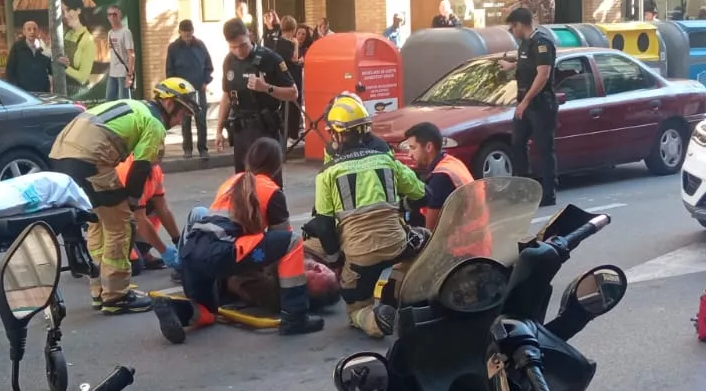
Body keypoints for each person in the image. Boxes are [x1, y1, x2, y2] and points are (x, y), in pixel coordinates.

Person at [48, 77, 199, 313]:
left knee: (98, 222)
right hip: (90, 159)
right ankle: (117, 296)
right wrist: (130, 202)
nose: (180, 122)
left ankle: (99, 291)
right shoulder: (154, 123)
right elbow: (140, 168)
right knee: (121, 224)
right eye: (183, 114)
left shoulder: (137, 107)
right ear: (170, 103)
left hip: (61, 155)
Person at [154, 137, 325, 342]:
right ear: (277, 165)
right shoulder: (271, 191)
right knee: (292, 242)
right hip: (222, 251)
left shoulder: (231, 182)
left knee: (207, 313)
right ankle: (295, 316)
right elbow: (280, 243)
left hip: (193, 250)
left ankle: (174, 310)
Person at [303, 93, 428, 338]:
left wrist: (337, 261)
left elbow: (325, 224)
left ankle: (374, 321)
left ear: (336, 133)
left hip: (360, 258)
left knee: (356, 308)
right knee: (426, 240)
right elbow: (423, 194)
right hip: (398, 245)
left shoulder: (327, 173)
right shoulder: (386, 159)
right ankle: (401, 291)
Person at [215, 17, 296, 182]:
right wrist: (218, 129)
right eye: (233, 47)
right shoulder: (229, 61)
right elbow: (226, 96)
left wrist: (266, 88)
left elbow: (293, 93)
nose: (239, 51)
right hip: (241, 131)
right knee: (243, 182)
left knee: (268, 182)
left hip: (266, 129)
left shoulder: (271, 58)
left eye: (243, 45)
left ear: (249, 36)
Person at [508, 7, 558, 206]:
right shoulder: (525, 44)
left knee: (545, 148)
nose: (512, 32)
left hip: (540, 104)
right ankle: (525, 189)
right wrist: (510, 66)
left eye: (512, 28)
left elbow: (543, 74)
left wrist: (525, 101)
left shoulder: (542, 43)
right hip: (525, 103)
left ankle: (548, 193)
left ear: (520, 25)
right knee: (517, 143)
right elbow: (526, 65)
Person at [401, 122, 475, 230]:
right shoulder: (451, 162)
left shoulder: (440, 178)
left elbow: (430, 232)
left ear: (429, 147)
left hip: (461, 243)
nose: (409, 154)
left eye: (413, 148)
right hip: (477, 237)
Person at [166, 19, 214, 158]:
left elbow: (208, 66)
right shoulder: (173, 48)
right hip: (182, 90)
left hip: (199, 87)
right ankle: (187, 149)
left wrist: (206, 81)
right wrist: (174, 87)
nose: (187, 35)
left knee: (201, 118)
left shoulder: (200, 45)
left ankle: (203, 149)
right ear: (180, 32)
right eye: (184, 32)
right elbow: (169, 70)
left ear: (193, 31)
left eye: (189, 32)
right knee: (185, 119)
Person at [6, 21, 52, 93]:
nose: (32, 31)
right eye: (29, 29)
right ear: (24, 32)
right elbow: (10, 69)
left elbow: (51, 69)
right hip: (23, 91)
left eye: (34, 29)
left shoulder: (43, 48)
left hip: (42, 91)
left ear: (38, 32)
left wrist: (59, 62)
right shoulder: (17, 47)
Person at [105, 3, 135, 100]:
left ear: (120, 15)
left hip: (123, 73)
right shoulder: (110, 33)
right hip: (112, 73)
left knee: (124, 102)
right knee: (109, 101)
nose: (112, 17)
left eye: (114, 14)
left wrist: (130, 75)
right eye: (109, 15)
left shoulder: (126, 32)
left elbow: (131, 54)